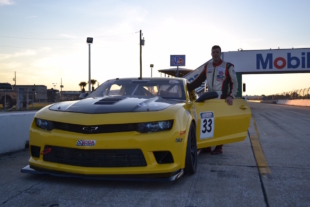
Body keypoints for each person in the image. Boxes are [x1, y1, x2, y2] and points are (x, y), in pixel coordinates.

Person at [187, 45, 238, 155]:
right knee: (208, 121)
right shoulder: (207, 66)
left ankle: (219, 147)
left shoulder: (228, 66)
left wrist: (231, 96)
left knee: (220, 123)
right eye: (213, 52)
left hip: (222, 99)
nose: (215, 54)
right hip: (209, 98)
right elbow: (199, 80)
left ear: (220, 53)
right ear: (211, 54)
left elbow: (235, 82)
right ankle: (207, 146)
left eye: (217, 52)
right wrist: (187, 87)